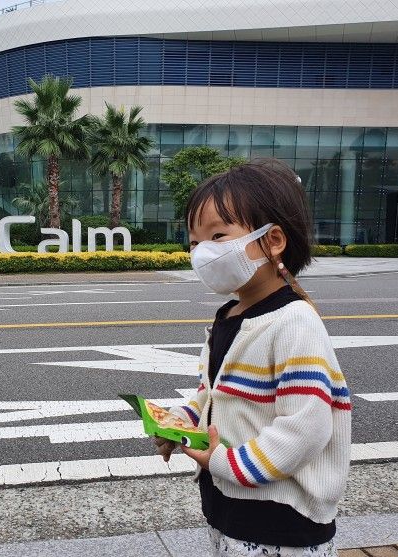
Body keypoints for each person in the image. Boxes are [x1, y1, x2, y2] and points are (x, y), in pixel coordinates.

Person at [155, 159, 351, 557]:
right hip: (229, 504)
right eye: (194, 242)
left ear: (273, 240)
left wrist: (223, 462)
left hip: (281, 518)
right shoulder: (229, 316)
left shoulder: (295, 322)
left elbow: (305, 429)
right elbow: (212, 394)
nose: (202, 253)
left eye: (218, 236)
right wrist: (183, 421)